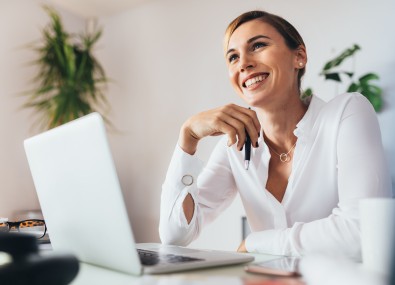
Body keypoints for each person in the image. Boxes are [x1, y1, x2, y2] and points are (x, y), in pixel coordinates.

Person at [159, 10, 391, 259]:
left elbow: (363, 233)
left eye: (258, 45)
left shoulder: (346, 112)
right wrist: (188, 137)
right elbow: (175, 236)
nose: (244, 63)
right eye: (233, 57)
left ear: (299, 57)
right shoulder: (235, 147)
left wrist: (256, 243)